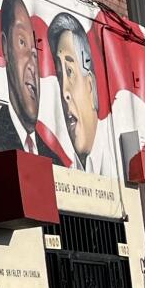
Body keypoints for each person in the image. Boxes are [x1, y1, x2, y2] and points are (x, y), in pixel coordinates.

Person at [0, 0, 61, 160]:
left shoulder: (56, 162)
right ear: (5, 46)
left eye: (35, 54)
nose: (32, 67)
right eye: (22, 43)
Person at [48, 11, 119, 177]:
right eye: (59, 75)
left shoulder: (114, 161)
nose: (64, 91)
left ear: (90, 86)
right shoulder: (69, 168)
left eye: (70, 71)